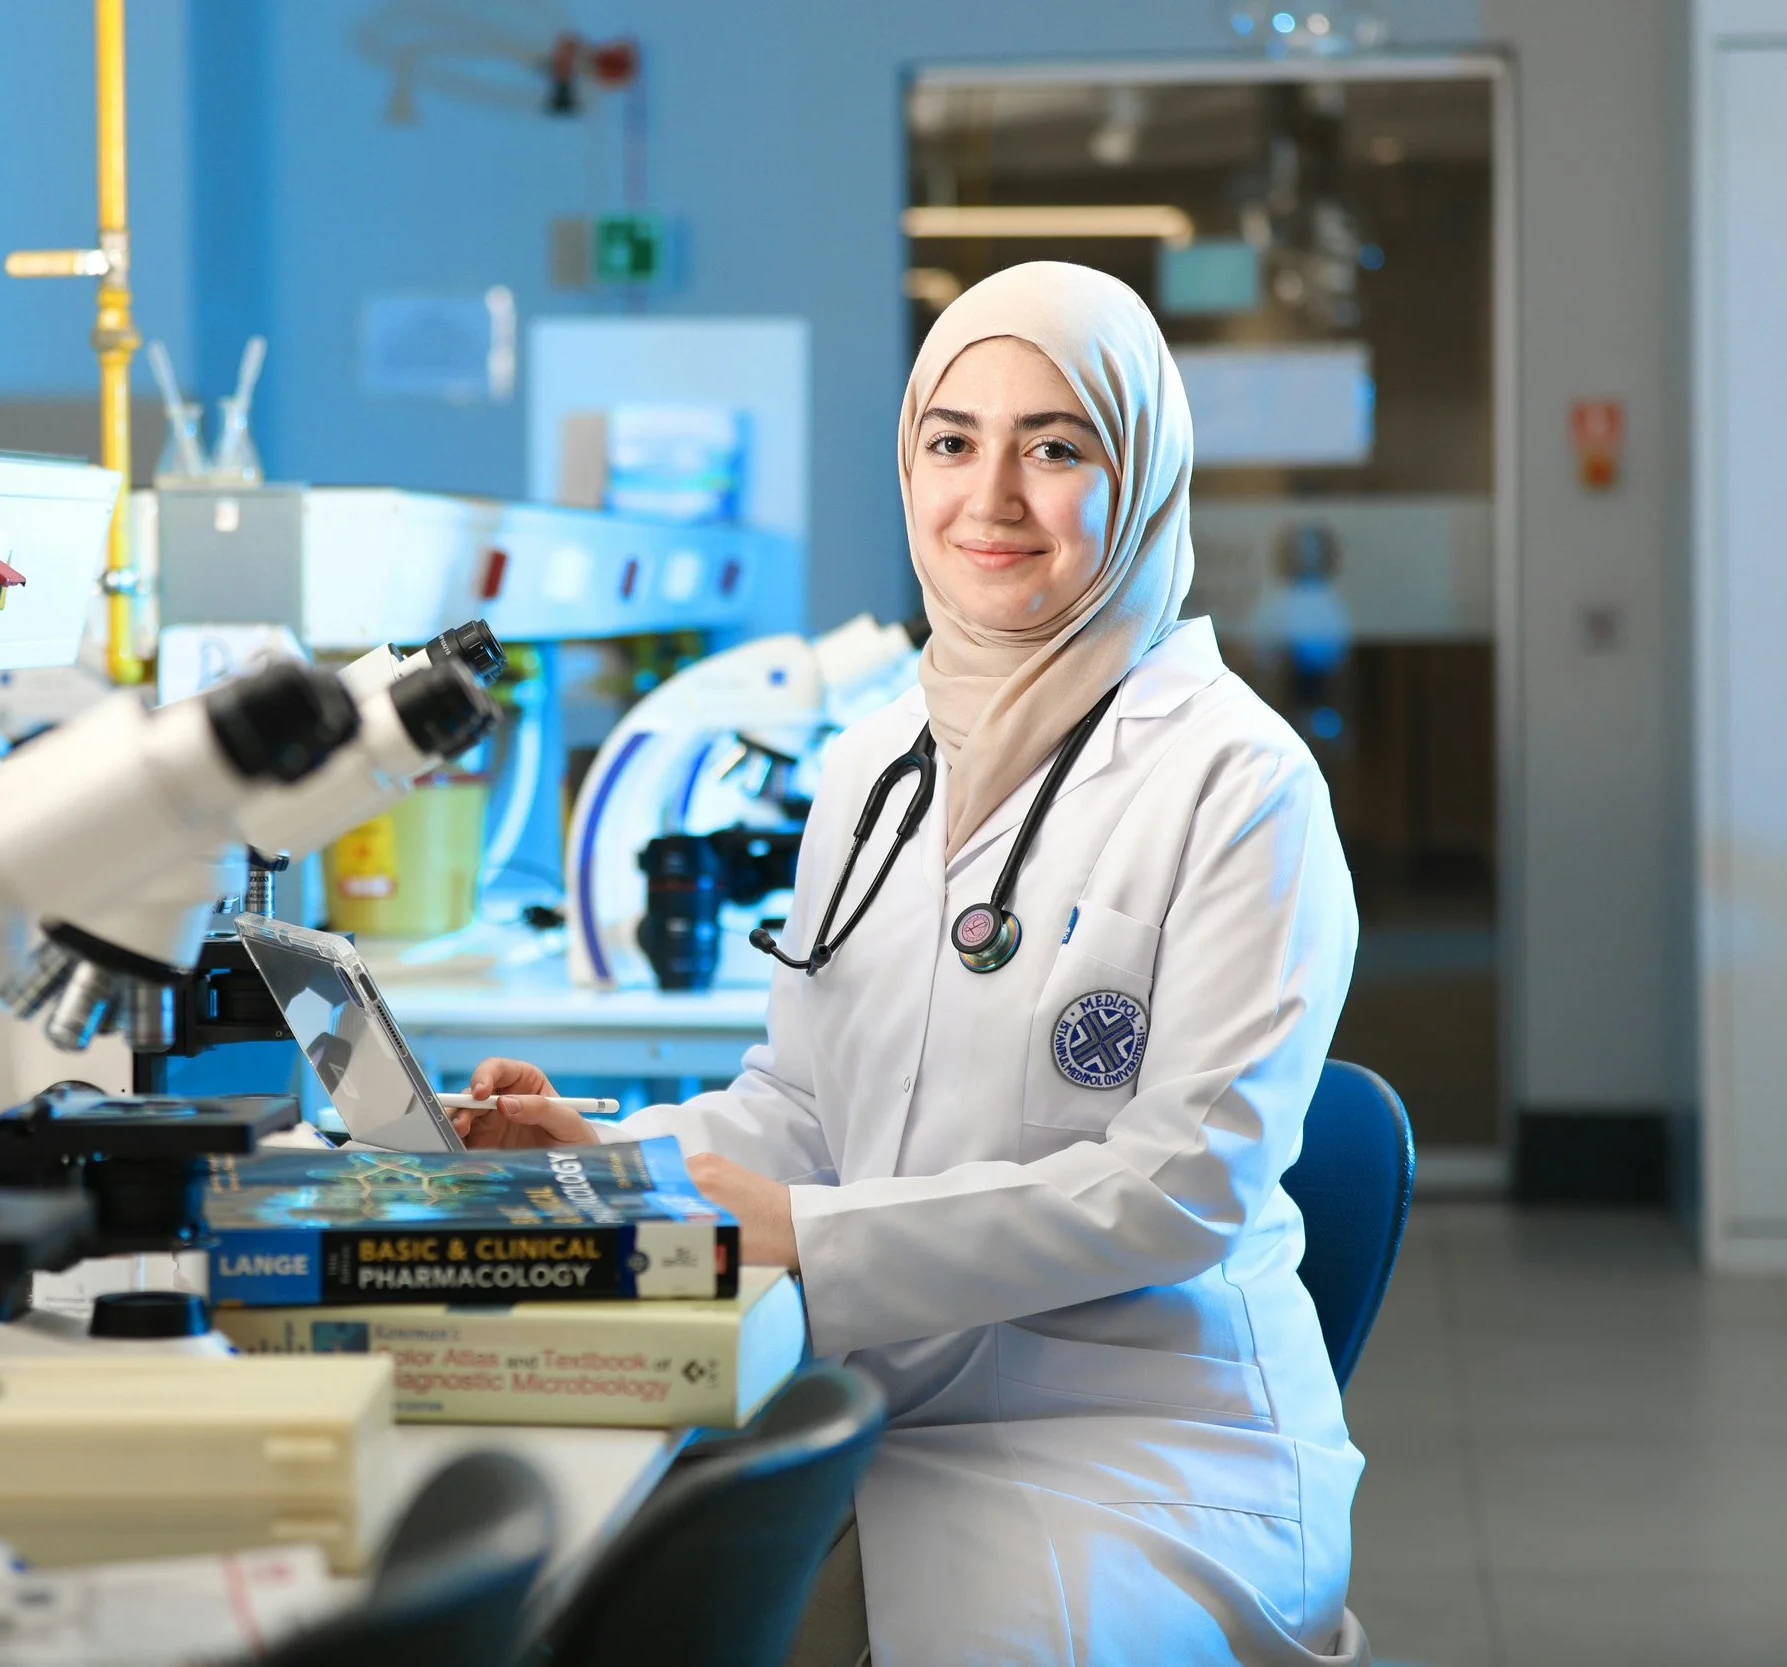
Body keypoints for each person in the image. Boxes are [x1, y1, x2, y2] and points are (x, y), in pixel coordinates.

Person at [454, 262, 1367, 1665]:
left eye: (1056, 447)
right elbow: (804, 1108)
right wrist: (611, 1155)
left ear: (1145, 478)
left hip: (1140, 1443)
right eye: (953, 441)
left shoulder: (1238, 781)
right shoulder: (877, 761)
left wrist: (802, 1237)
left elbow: (1188, 1185)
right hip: (881, 1405)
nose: (990, 495)